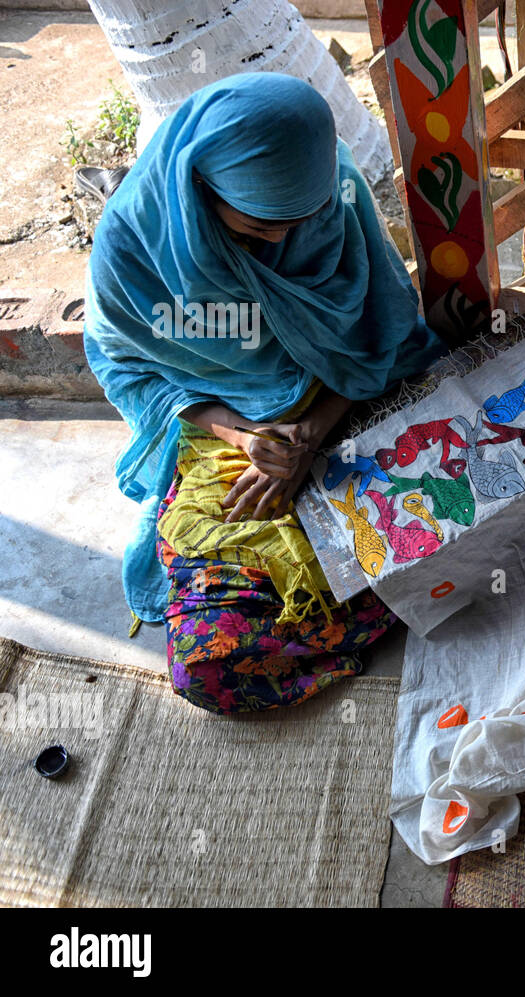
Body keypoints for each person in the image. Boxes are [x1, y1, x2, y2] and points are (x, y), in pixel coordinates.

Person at [84, 73, 447, 713]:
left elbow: (388, 332)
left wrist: (318, 427)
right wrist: (241, 433)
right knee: (207, 669)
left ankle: (391, 593)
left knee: (475, 511)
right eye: (258, 224)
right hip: (221, 430)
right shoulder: (134, 245)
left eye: (302, 221)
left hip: (353, 405)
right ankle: (385, 602)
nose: (284, 239)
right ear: (199, 186)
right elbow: (132, 371)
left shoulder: (332, 189)